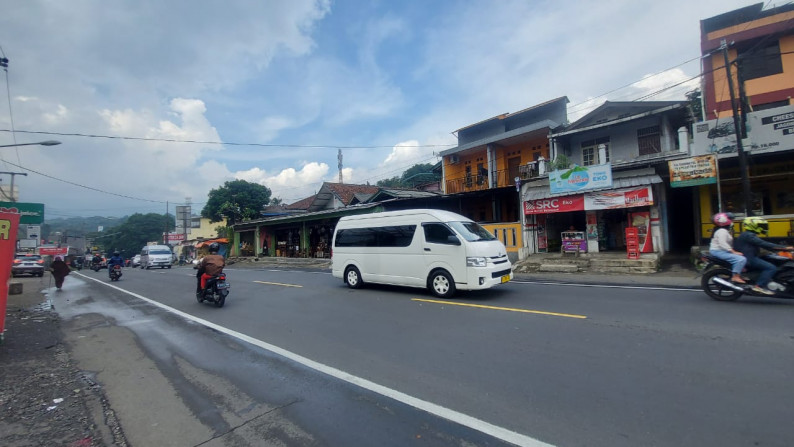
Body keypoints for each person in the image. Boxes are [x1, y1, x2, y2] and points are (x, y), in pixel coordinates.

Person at [734, 216, 794, 295]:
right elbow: (763, 244)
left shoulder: (749, 235)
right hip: (749, 258)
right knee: (771, 268)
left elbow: (764, 246)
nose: (763, 228)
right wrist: (784, 248)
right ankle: (759, 286)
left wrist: (778, 250)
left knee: (772, 260)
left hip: (750, 256)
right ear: (753, 226)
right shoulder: (748, 235)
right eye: (761, 226)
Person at [707, 212, 746, 284]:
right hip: (718, 251)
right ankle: (735, 276)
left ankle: (739, 272)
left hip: (721, 251)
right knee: (741, 259)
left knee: (742, 256)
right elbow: (723, 243)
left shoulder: (722, 230)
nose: (732, 221)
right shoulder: (722, 231)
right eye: (731, 219)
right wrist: (733, 251)